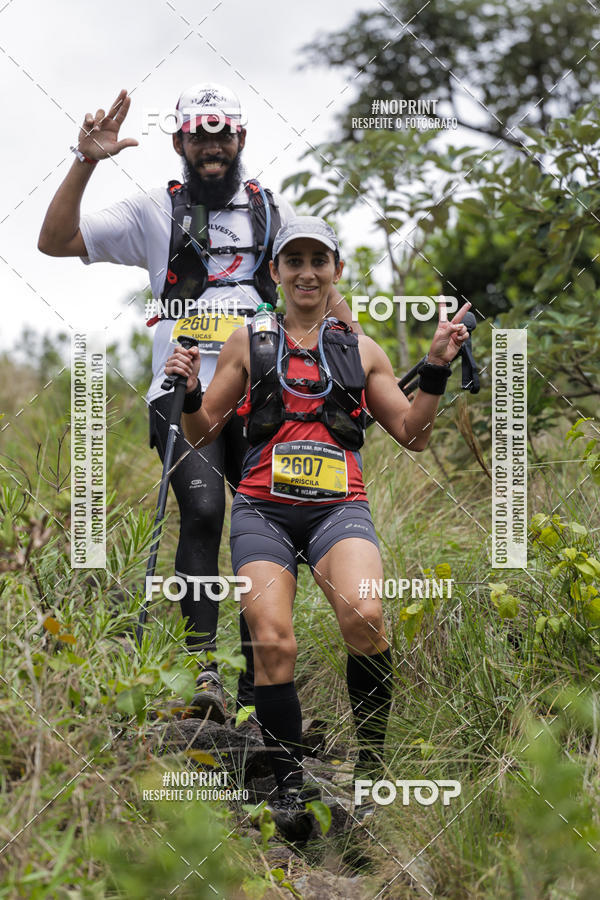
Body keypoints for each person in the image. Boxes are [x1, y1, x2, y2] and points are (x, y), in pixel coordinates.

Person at [38, 84, 359, 722]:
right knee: (205, 510)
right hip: (183, 391)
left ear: (239, 140)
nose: (211, 148)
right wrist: (86, 160)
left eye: (223, 136)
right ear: (180, 142)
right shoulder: (153, 211)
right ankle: (202, 671)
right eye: (198, 137)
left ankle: (255, 687)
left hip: (266, 393)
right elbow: (55, 240)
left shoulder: (272, 211)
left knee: (260, 525)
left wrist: (351, 361)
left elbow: (317, 286)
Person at [164, 215, 471, 839]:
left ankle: (373, 773)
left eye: (318, 260)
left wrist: (436, 367)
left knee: (365, 617)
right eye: (293, 260)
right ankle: (288, 785)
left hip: (339, 511)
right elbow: (202, 433)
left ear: (334, 271)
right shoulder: (246, 343)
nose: (306, 271)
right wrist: (191, 393)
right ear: (274, 272)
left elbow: (412, 434)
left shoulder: (363, 351)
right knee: (273, 640)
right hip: (262, 513)